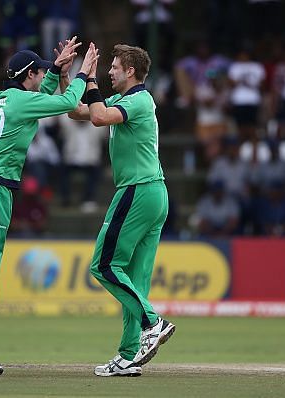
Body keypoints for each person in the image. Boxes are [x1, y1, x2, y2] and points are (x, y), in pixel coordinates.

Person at [0, 37, 98, 375]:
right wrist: (82, 73)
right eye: (39, 72)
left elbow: (42, 95)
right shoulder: (19, 102)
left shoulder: (12, 98)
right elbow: (68, 102)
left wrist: (57, 67)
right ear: (28, 75)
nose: (42, 76)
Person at [68, 44, 175, 377]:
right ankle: (129, 354)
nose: (110, 71)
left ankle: (153, 323)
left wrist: (91, 81)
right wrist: (71, 75)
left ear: (130, 71)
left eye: (114, 67)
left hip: (138, 191)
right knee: (134, 281)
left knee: (102, 266)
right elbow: (76, 112)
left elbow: (98, 117)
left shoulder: (139, 100)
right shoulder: (125, 100)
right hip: (153, 193)